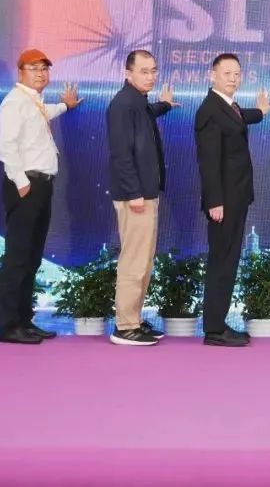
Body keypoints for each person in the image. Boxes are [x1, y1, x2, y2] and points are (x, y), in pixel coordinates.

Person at [0, 49, 82, 344]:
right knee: (18, 256)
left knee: (32, 256)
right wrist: (21, 183)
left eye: (44, 69)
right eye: (34, 68)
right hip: (26, 185)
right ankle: (9, 326)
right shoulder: (14, 103)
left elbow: (45, 113)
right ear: (20, 72)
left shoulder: (33, 101)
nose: (41, 74)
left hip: (41, 185)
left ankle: (24, 320)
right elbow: (7, 147)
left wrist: (65, 106)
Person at [195, 53, 270, 347]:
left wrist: (261, 112)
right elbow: (208, 161)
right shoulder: (209, 110)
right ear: (212, 75)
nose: (233, 78)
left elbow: (240, 118)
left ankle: (218, 323)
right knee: (222, 262)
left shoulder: (229, 106)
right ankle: (215, 329)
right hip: (223, 203)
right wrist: (214, 201)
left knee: (228, 260)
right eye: (226, 73)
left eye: (237, 74)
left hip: (236, 198)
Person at [106, 50, 176, 346]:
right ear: (128, 73)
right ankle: (125, 327)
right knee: (134, 261)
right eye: (144, 71)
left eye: (153, 71)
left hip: (147, 193)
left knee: (143, 262)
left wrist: (165, 105)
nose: (150, 76)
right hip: (135, 196)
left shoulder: (138, 102)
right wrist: (134, 192)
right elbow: (121, 154)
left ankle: (133, 319)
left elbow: (147, 115)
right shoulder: (122, 104)